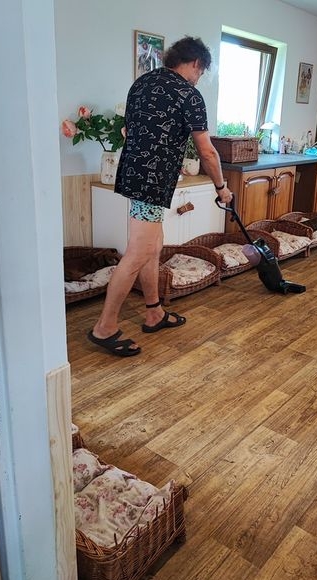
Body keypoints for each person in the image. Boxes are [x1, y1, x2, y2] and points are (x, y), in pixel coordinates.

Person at [87, 36, 232, 357]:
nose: (199, 78)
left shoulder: (141, 84)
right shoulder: (189, 94)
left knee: (153, 247)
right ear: (196, 63)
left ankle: (154, 312)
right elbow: (207, 151)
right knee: (138, 253)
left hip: (133, 175)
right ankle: (104, 327)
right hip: (152, 184)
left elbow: (130, 131)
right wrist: (221, 187)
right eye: (201, 72)